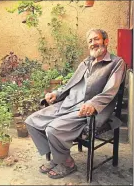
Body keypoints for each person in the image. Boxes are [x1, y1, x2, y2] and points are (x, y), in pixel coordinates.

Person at [25, 28, 126, 179]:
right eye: (90, 41)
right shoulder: (85, 63)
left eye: (96, 39)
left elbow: (111, 90)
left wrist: (93, 103)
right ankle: (60, 157)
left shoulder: (116, 63)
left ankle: (66, 164)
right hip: (68, 103)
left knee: (53, 129)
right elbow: (70, 84)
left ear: (106, 41)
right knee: (31, 122)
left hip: (87, 110)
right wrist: (56, 94)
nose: (93, 43)